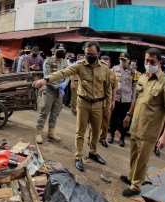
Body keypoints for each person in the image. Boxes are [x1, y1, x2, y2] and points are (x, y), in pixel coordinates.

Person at [33, 41, 112, 172]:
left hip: (98, 104)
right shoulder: (79, 66)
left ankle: (93, 152)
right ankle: (78, 156)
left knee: (96, 131)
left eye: (92, 54)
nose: (89, 56)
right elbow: (63, 73)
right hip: (83, 103)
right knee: (80, 131)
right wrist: (45, 80)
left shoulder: (105, 69)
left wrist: (108, 105)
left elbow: (108, 88)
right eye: (87, 54)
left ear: (98, 53)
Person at [121, 48, 165, 197]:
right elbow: (136, 98)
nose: (149, 63)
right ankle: (131, 177)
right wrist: (129, 114)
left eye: (152, 61)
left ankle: (136, 186)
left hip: (150, 129)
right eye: (147, 60)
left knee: (142, 159)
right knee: (133, 155)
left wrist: (164, 136)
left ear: (159, 62)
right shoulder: (142, 77)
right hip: (136, 124)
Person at [35, 43, 69, 145]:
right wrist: (58, 86)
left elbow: (68, 74)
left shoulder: (64, 62)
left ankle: (51, 132)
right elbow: (47, 76)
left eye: (63, 50)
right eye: (59, 50)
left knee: (55, 112)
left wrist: (65, 83)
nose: (61, 52)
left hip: (60, 91)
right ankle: (39, 132)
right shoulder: (48, 61)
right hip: (49, 89)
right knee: (44, 111)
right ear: (54, 50)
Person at [88, 55, 118, 148]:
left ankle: (102, 138)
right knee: (94, 122)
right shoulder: (95, 72)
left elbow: (114, 89)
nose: (104, 64)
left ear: (109, 64)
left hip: (107, 102)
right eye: (103, 62)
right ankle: (90, 138)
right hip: (97, 101)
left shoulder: (113, 75)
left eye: (107, 63)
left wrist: (113, 101)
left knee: (106, 122)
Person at [108, 52, 135, 147]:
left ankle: (122, 138)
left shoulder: (133, 71)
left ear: (129, 61)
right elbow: (110, 83)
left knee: (124, 120)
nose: (122, 61)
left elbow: (134, 87)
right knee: (113, 118)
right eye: (120, 59)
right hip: (115, 98)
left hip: (127, 100)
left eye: (124, 60)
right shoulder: (114, 69)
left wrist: (133, 100)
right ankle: (111, 135)